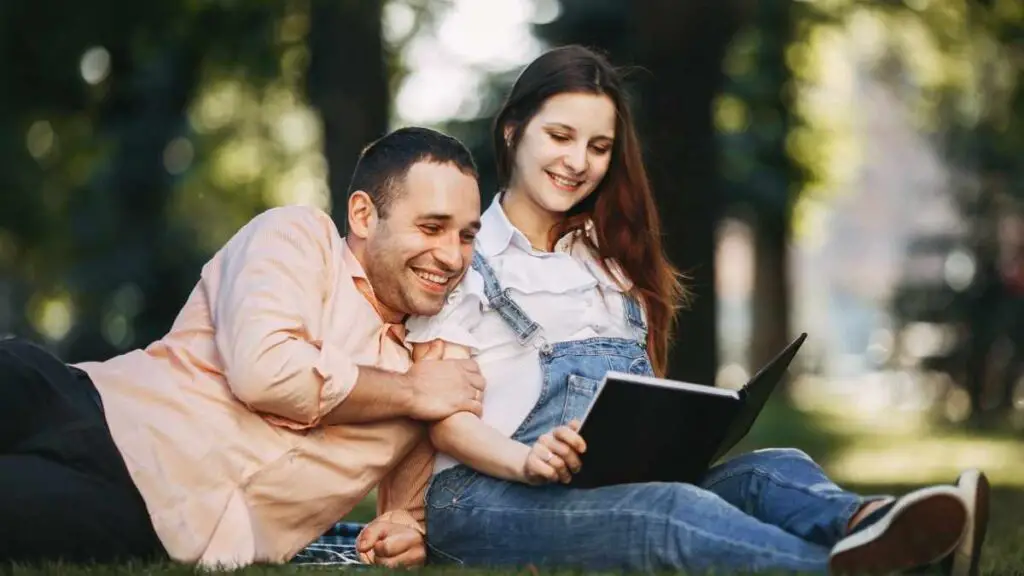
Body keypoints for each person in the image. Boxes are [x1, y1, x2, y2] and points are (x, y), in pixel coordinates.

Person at [389, 45, 991, 575]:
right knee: (670, 513)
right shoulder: (465, 254)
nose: (579, 162)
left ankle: (882, 526)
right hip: (483, 499)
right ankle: (852, 569)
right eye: (560, 136)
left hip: (603, 482)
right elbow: (442, 416)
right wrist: (526, 459)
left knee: (773, 468)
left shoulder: (607, 263)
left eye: (599, 147)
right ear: (513, 132)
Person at [0, 126, 484, 569]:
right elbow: (264, 371)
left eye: (466, 236)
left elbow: (406, 515)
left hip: (141, 515)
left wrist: (404, 531)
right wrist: (411, 391)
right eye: (430, 227)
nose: (451, 255)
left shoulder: (438, 362)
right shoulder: (298, 237)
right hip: (89, 404)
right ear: (362, 214)